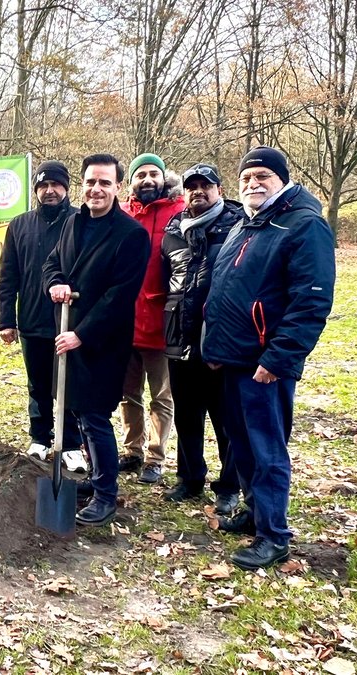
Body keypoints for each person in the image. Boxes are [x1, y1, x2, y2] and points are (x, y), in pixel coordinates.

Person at [203, 146, 335, 570]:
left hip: (265, 365)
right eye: (246, 178)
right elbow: (226, 290)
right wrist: (216, 348)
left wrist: (278, 358)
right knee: (240, 445)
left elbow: (311, 302)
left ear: (282, 180)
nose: (253, 184)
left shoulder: (303, 226)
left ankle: (274, 534)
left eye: (262, 176)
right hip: (234, 359)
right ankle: (255, 514)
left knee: (266, 449)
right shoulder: (248, 224)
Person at [44, 154, 151, 526]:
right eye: (91, 182)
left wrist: (82, 335)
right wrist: (54, 283)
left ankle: (107, 494)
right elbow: (53, 262)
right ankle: (96, 477)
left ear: (117, 187)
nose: (96, 189)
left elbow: (120, 296)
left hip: (102, 341)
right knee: (76, 411)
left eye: (105, 182)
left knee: (95, 416)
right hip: (66, 332)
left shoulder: (131, 235)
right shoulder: (72, 222)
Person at [160, 163, 242, 514]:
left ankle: (229, 486)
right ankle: (190, 478)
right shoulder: (173, 230)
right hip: (179, 334)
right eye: (192, 186)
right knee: (187, 416)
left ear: (218, 190)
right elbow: (169, 277)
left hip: (219, 338)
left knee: (225, 418)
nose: (199, 192)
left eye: (205, 186)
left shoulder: (238, 226)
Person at [0, 160, 87, 474]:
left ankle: (72, 444)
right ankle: (40, 437)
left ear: (66, 188)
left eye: (56, 185)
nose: (49, 191)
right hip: (33, 320)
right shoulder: (19, 225)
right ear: (36, 189)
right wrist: (5, 320)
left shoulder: (82, 221)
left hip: (71, 323)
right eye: (43, 186)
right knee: (38, 385)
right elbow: (7, 276)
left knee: (70, 385)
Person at [119, 153, 182, 485]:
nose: (146, 180)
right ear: (130, 183)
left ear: (163, 178)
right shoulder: (123, 214)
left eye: (152, 174)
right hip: (126, 322)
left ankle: (156, 457)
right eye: (140, 175)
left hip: (162, 323)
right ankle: (133, 450)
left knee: (161, 395)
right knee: (129, 393)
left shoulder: (179, 213)